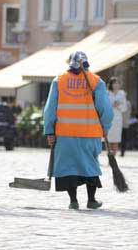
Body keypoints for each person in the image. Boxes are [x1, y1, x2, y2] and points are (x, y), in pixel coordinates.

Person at [43, 51, 113, 210]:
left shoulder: (58, 80)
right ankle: (91, 200)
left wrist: (49, 131)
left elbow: (50, 109)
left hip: (65, 133)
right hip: (90, 133)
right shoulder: (97, 81)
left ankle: (73, 201)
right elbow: (106, 110)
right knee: (90, 166)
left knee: (69, 167)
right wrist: (105, 127)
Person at [106, 77, 127, 156]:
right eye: (114, 83)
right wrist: (112, 105)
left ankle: (113, 157)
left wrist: (118, 106)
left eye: (117, 83)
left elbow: (125, 108)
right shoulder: (107, 93)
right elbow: (104, 105)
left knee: (116, 138)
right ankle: (109, 156)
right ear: (111, 84)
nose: (116, 85)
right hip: (109, 117)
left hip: (118, 119)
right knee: (108, 138)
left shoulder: (122, 93)